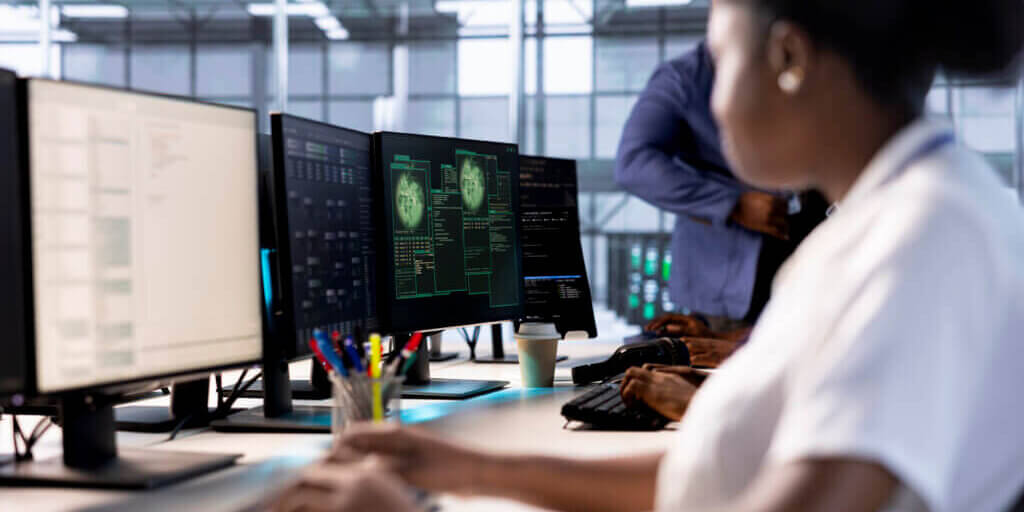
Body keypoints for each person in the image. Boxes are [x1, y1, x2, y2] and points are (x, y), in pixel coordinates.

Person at [270, 0, 1024, 510]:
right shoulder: (880, 223)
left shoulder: (926, 235)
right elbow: (720, 478)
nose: (712, 101)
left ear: (789, 56)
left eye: (720, 62)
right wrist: (460, 468)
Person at [615, 37, 828, 338]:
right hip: (730, 293)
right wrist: (733, 204)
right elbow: (633, 162)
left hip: (810, 272)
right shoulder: (684, 78)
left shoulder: (802, 60)